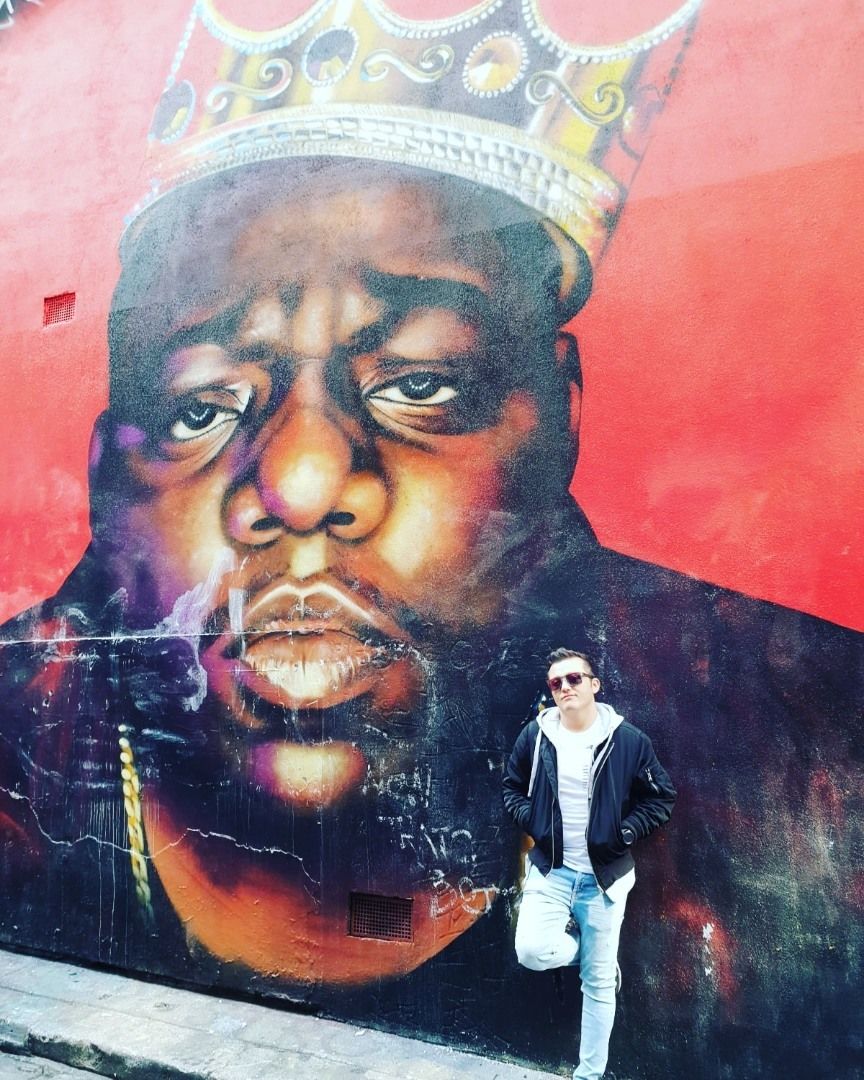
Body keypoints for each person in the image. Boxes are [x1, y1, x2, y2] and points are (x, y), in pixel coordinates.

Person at [0, 3, 861, 1078]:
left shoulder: (814, 741)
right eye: (202, 407)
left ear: (562, 416)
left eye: (419, 384)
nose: (303, 484)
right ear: (103, 479)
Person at [503, 649, 675, 1080]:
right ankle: (594, 955)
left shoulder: (628, 740)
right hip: (552, 872)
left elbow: (661, 797)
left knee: (597, 986)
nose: (565, 687)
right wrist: (535, 822)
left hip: (604, 878)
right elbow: (511, 788)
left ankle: (589, 1074)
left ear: (595, 685)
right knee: (531, 951)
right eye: (556, 683)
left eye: (574, 678)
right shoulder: (537, 736)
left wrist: (626, 832)